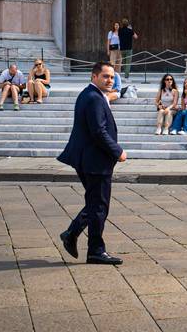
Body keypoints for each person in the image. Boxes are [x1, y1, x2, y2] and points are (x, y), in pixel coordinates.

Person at [57, 62, 126, 265]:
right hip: (95, 161)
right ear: (94, 76)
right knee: (99, 206)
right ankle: (95, 250)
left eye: (112, 77)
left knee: (96, 204)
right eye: (105, 76)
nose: (110, 80)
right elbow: (98, 131)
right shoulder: (94, 98)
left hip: (90, 159)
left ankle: (72, 233)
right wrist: (118, 151)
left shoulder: (90, 95)